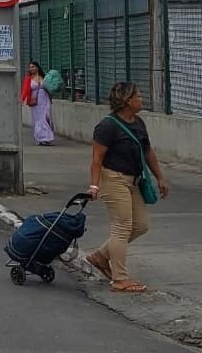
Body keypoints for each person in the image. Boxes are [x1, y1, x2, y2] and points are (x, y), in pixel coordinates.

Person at [86, 82, 169, 294]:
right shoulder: (107, 126)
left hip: (134, 180)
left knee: (140, 225)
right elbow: (97, 159)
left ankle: (100, 256)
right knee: (121, 228)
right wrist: (94, 185)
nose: (141, 99)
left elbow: (148, 151)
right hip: (114, 179)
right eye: (138, 96)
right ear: (127, 101)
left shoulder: (138, 123)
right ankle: (119, 279)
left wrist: (160, 177)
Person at [21, 61, 55, 145]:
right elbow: (25, 90)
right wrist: (22, 99)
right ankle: (41, 138)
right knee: (37, 119)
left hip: (45, 99)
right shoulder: (28, 78)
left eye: (33, 67)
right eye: (30, 67)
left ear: (37, 67)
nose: (31, 69)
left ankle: (47, 138)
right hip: (35, 100)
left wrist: (51, 98)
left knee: (46, 117)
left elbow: (49, 88)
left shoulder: (44, 77)